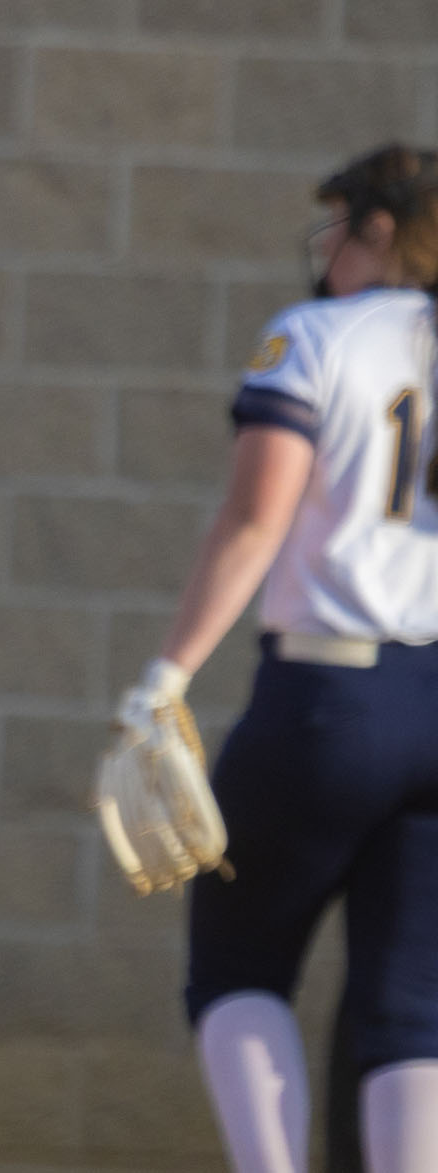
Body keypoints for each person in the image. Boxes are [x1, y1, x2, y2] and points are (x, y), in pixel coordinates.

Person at [121, 144, 438, 1172]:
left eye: (337, 223)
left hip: (328, 692)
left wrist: (161, 677)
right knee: (408, 1009)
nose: (324, 247)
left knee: (234, 963)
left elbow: (254, 522)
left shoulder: (313, 334)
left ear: (379, 228)